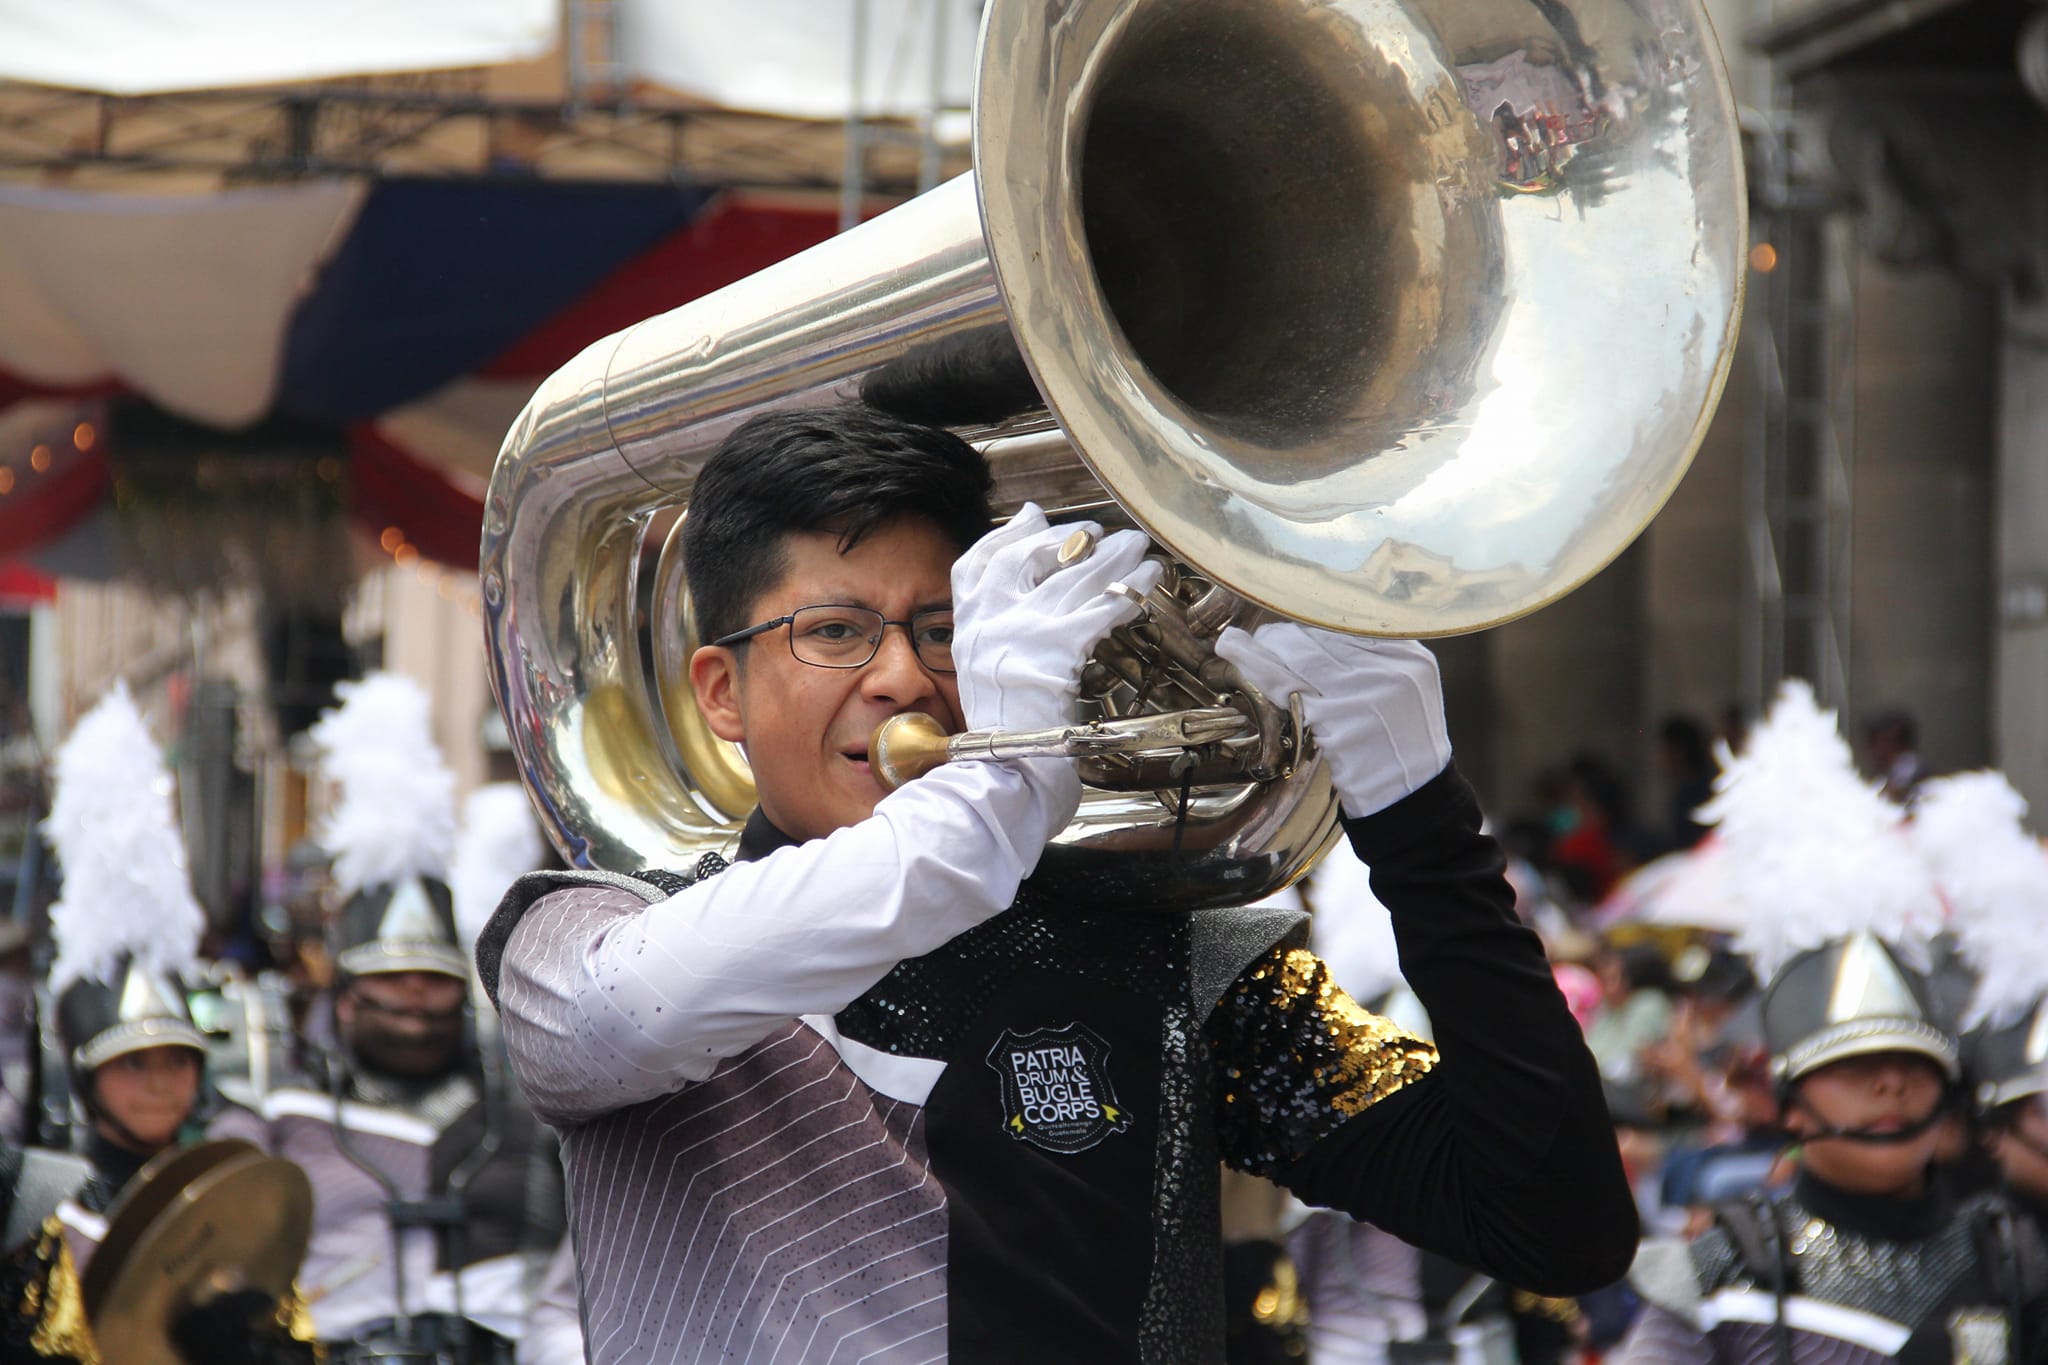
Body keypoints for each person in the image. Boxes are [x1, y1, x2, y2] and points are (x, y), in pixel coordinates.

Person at [477, 404, 1637, 1362]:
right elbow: (619, 1013)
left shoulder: (1170, 958)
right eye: (835, 632)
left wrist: (1419, 819)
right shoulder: (589, 930)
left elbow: (1555, 1223)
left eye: (947, 631)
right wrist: (988, 805)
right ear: (720, 695)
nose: (901, 679)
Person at [1616, 684, 2046, 1365]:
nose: (1890, 1088)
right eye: (1852, 1068)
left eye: (1914, 1065)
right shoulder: (1719, 1268)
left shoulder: (2014, 1258)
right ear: (1789, 1103)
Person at [241, 674, 564, 1364]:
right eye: (394, 979)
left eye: (433, 980)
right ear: (349, 998)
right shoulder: (277, 1108)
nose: (415, 997)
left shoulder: (527, 1111)